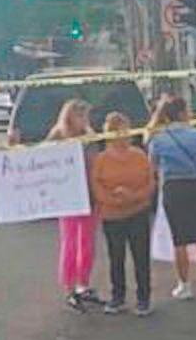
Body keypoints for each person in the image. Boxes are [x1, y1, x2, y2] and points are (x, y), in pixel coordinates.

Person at [147, 94, 196, 301]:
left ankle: (184, 285)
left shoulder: (158, 138)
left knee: (179, 239)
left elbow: (152, 165)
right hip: (195, 184)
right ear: (181, 113)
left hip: (173, 187)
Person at [90, 111, 155, 316]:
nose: (123, 136)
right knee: (116, 257)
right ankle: (118, 296)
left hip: (138, 212)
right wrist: (116, 200)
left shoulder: (140, 155)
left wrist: (133, 197)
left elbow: (150, 182)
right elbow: (97, 188)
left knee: (141, 256)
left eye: (126, 131)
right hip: (112, 216)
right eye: (118, 132)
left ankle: (144, 298)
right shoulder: (101, 160)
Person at [47, 99, 101, 311]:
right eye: (81, 115)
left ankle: (83, 284)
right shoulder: (58, 136)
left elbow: (96, 162)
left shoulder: (89, 136)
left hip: (89, 195)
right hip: (68, 197)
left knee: (88, 243)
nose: (84, 120)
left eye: (86, 116)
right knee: (70, 242)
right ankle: (69, 287)